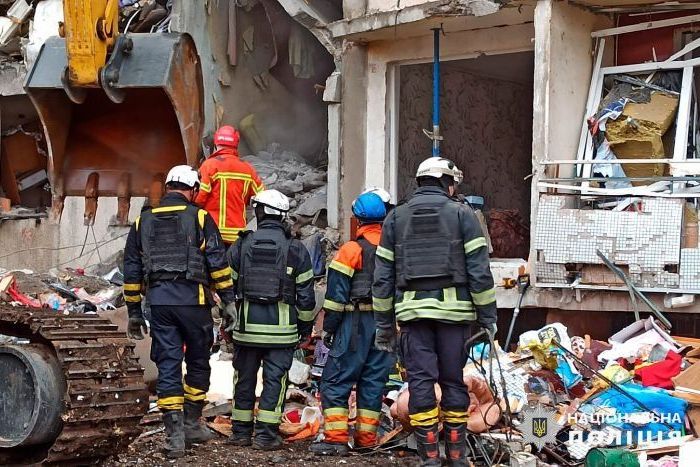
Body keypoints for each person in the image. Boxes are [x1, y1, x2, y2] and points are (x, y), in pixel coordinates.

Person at [372, 157, 498, 467]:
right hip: (454, 318)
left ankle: (429, 459)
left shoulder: (395, 219)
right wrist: (487, 316)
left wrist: (384, 325)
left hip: (413, 317)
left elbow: (382, 278)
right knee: (453, 382)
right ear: (447, 182)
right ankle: (456, 458)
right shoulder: (464, 215)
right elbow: (479, 272)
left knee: (420, 384)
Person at [123, 165, 238, 458]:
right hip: (193, 301)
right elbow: (217, 263)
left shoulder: (142, 221)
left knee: (168, 365)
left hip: (159, 304)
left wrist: (134, 311)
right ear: (194, 190)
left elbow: (132, 270)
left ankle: (174, 437)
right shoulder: (200, 216)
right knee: (198, 360)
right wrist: (228, 301)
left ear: (168, 187)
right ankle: (190, 423)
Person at [224, 189, 316, 450]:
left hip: (245, 330)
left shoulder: (240, 245)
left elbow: (226, 289)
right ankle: (266, 435)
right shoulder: (295, 249)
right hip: (282, 333)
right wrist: (305, 328)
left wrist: (226, 323)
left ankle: (240, 433)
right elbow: (307, 297)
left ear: (259, 212)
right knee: (275, 382)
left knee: (244, 379)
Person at [310, 191, 394, 456]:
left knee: (335, 380)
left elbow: (335, 297)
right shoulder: (394, 250)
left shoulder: (351, 250)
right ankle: (366, 440)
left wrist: (330, 330)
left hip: (355, 323)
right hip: (385, 325)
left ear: (358, 219)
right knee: (373, 381)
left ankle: (335, 439)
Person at [195, 125, 264, 246]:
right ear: (236, 144)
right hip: (237, 235)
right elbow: (261, 197)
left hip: (211, 233)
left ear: (216, 143)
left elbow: (200, 198)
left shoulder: (209, 165)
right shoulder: (248, 169)